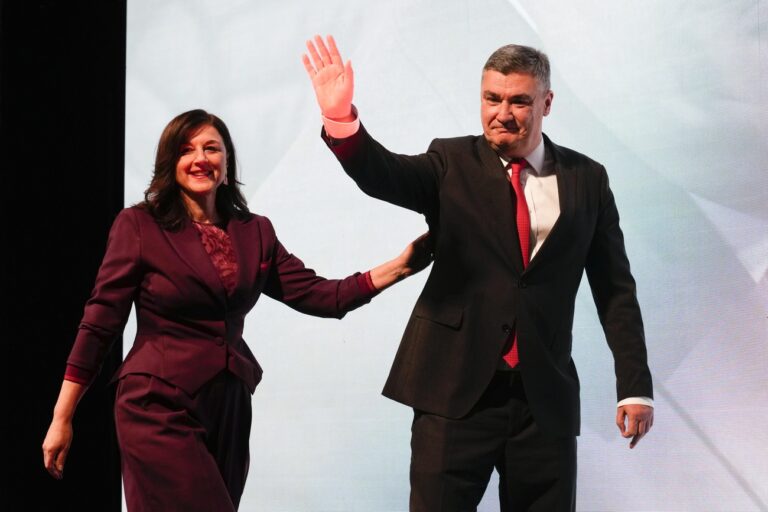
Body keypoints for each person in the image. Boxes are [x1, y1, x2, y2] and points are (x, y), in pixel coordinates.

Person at [302, 35, 654, 511]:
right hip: (452, 392)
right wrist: (342, 121)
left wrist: (634, 386)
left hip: (543, 401)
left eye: (519, 101)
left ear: (546, 103)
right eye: (492, 98)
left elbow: (615, 290)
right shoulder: (450, 162)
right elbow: (382, 173)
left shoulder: (587, 179)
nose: (502, 113)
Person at [41, 109, 432, 511]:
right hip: (156, 404)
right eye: (185, 150)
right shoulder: (139, 226)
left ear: (226, 165)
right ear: (169, 165)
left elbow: (321, 296)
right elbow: (101, 322)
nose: (200, 158)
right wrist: (62, 416)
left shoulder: (254, 231)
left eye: (212, 148)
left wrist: (400, 265)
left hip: (228, 405)